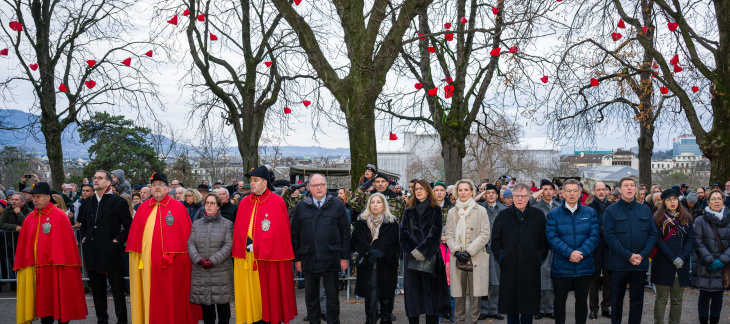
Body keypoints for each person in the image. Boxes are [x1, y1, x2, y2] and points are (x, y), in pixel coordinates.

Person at [126, 172, 200, 324]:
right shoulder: (142, 208)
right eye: (154, 185)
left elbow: (186, 238)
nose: (157, 188)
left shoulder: (178, 208)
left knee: (172, 297)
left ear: (167, 189)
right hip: (147, 265)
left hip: (174, 266)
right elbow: (135, 239)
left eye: (160, 185)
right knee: (150, 295)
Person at [14, 182, 88, 324]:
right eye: (34, 197)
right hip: (38, 270)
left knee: (60, 306)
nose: (35, 200)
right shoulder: (30, 218)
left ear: (48, 197)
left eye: (39, 196)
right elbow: (24, 245)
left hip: (57, 268)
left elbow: (67, 246)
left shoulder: (59, 216)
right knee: (44, 309)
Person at [232, 165, 297, 324]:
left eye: (255, 180)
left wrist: (259, 243)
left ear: (265, 183)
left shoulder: (276, 202)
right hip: (247, 258)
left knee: (269, 293)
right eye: (251, 180)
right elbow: (239, 229)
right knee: (251, 294)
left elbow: (280, 233)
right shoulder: (244, 202)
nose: (251, 183)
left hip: (269, 258)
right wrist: (244, 241)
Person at [290, 174, 350, 324]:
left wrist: (344, 257)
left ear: (326, 186)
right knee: (311, 299)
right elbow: (295, 234)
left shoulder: (337, 205)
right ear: (309, 187)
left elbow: (345, 233)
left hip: (331, 258)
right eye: (315, 185)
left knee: (332, 299)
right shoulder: (301, 206)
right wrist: (297, 259)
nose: (318, 188)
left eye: (321, 184)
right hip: (308, 258)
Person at [78, 170, 133, 324]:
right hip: (93, 252)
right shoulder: (87, 202)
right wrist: (84, 238)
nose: (96, 180)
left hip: (112, 253)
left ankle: (121, 321)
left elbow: (129, 226)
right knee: (98, 293)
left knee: (117, 293)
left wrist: (117, 241)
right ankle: (102, 320)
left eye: (100, 178)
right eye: (95, 178)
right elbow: (83, 224)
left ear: (109, 183)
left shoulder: (118, 201)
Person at [491, 183, 549, 324]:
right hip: (509, 266)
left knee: (528, 305)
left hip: (530, 267)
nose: (520, 199)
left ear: (529, 196)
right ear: (512, 197)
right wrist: (502, 257)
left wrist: (538, 257)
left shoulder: (538, 215)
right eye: (517, 196)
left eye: (523, 196)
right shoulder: (503, 216)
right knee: (511, 305)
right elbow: (496, 241)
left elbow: (544, 242)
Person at [603, 177, 658, 324]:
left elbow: (653, 234)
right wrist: (628, 255)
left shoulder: (645, 209)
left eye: (632, 185)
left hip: (639, 264)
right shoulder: (611, 210)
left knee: (637, 302)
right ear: (619, 190)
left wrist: (642, 255)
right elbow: (609, 236)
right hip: (618, 264)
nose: (629, 188)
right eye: (626, 186)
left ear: (636, 189)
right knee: (616, 301)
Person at [545, 179, 599, 324]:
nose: (572, 194)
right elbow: (552, 237)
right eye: (568, 191)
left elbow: (594, 237)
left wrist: (580, 253)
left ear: (580, 192)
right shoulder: (554, 214)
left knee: (581, 302)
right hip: (562, 265)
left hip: (584, 265)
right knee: (560, 302)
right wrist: (570, 253)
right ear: (562, 193)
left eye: (575, 190)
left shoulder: (590, 213)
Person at [399, 179, 451, 324]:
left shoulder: (436, 210)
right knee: (414, 300)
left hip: (431, 258)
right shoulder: (408, 210)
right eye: (416, 189)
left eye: (422, 188)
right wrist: (413, 250)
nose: (419, 191)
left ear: (428, 190)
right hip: (412, 260)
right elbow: (403, 233)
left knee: (432, 301)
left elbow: (435, 234)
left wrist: (422, 250)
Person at [444, 179, 491, 324]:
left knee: (475, 293)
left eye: (466, 190)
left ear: (472, 192)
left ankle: (474, 320)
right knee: (458, 293)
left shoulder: (481, 210)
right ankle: (459, 320)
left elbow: (485, 234)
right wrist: (457, 251)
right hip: (457, 258)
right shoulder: (452, 212)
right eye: (460, 190)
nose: (463, 192)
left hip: (475, 257)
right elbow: (449, 235)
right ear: (456, 192)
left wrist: (469, 252)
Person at [352, 193, 401, 324]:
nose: (375, 205)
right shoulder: (361, 221)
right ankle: (370, 320)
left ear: (384, 205)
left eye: (378, 202)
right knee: (369, 297)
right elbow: (356, 240)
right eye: (373, 202)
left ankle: (386, 319)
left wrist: (381, 253)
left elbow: (395, 243)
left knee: (386, 297)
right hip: (367, 264)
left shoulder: (392, 222)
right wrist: (369, 251)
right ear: (369, 205)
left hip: (386, 264)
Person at [188, 193, 234, 324]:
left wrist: (213, 260)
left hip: (221, 271)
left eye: (212, 203)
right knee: (207, 311)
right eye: (207, 202)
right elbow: (190, 243)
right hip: (201, 270)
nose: (208, 205)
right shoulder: (196, 224)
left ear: (218, 206)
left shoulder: (227, 224)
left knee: (223, 310)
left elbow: (228, 245)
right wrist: (198, 259)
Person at [650, 189, 694, 324]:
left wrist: (682, 257)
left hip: (681, 264)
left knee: (677, 300)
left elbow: (690, 239)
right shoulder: (657, 218)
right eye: (669, 199)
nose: (672, 202)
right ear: (664, 202)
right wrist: (673, 258)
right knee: (661, 298)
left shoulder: (686, 218)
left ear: (678, 200)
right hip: (663, 263)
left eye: (674, 199)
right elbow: (657, 240)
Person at [692, 189, 730, 324]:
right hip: (705, 264)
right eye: (713, 199)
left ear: (723, 201)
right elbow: (697, 242)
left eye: (719, 198)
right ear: (708, 202)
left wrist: (722, 260)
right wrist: (710, 260)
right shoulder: (700, 220)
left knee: (718, 296)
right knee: (704, 295)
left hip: (723, 265)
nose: (716, 201)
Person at [528, 179, 560, 319]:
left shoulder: (559, 206)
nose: (548, 192)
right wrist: (536, 193)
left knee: (553, 278)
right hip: (539, 246)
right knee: (539, 278)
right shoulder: (535, 206)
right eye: (544, 189)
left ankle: (550, 308)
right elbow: (524, 204)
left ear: (554, 192)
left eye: (550, 189)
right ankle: (539, 308)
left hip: (556, 247)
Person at [476, 183, 507, 320]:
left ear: (497, 195)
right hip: (481, 249)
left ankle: (495, 309)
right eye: (487, 193)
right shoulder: (478, 208)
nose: (490, 195)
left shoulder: (504, 210)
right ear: (484, 194)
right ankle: (483, 309)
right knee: (482, 281)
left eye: (493, 193)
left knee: (496, 282)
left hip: (497, 249)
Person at [586, 181, 612, 320]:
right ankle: (594, 308)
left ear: (607, 191)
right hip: (594, 249)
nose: (601, 192)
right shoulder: (589, 208)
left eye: (604, 189)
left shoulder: (612, 207)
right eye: (599, 190)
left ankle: (606, 307)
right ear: (594, 192)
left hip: (609, 249)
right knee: (594, 282)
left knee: (609, 280)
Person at [0, 192, 31, 292]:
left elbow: (29, 224)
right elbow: (1, 224)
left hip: (26, 244)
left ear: (23, 202)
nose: (13, 201)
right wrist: (15, 227)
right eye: (12, 199)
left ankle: (26, 284)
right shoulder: (7, 211)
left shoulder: (29, 211)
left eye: (16, 200)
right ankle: (14, 285)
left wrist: (19, 213)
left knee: (25, 265)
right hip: (10, 243)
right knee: (12, 264)